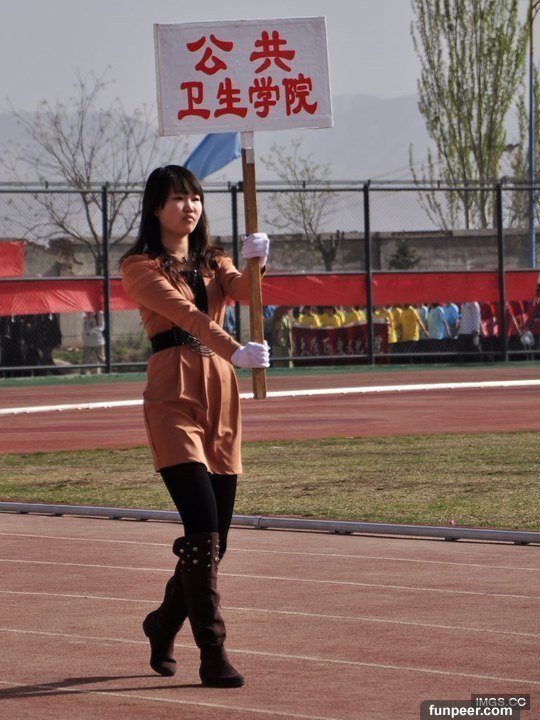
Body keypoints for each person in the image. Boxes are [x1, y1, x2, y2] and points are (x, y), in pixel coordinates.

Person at [119, 165, 270, 688]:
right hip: (174, 395)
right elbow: (187, 316)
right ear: (155, 208)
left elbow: (245, 293)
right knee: (202, 528)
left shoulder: (213, 260)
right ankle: (213, 650)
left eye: (196, 198)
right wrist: (235, 348)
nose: (190, 207)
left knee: (216, 541)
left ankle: (162, 624)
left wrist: (257, 262)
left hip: (222, 397)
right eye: (178, 198)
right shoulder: (139, 266)